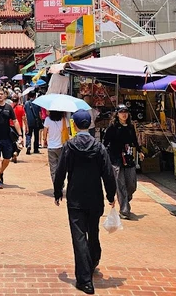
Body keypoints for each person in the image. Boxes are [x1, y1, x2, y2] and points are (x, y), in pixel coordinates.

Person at [54, 109, 116, 295]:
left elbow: (61, 171)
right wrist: (111, 195)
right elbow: (108, 172)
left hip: (75, 197)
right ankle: (93, 259)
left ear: (74, 124)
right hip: (95, 196)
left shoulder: (69, 146)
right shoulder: (99, 147)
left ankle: (85, 280)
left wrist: (58, 191)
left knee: (79, 237)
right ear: (89, 124)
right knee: (93, 231)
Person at [102, 104, 139, 219]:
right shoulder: (112, 127)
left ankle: (126, 200)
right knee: (121, 184)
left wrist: (140, 150)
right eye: (121, 112)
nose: (124, 114)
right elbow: (105, 142)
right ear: (117, 114)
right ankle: (124, 210)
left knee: (131, 184)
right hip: (115, 159)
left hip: (128, 159)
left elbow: (134, 141)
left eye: (126, 112)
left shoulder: (130, 127)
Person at [0, 87, 22, 189]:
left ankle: (0, 172)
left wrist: (20, 135)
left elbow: (15, 121)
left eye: (1, 94)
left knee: (7, 159)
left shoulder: (9, 108)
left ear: (5, 95)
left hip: (7, 138)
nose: (0, 96)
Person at [44, 110, 67, 183]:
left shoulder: (47, 119)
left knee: (53, 168)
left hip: (51, 147)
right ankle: (61, 184)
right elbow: (67, 131)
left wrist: (44, 140)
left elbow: (45, 132)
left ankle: (56, 185)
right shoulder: (64, 120)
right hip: (62, 147)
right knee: (61, 167)